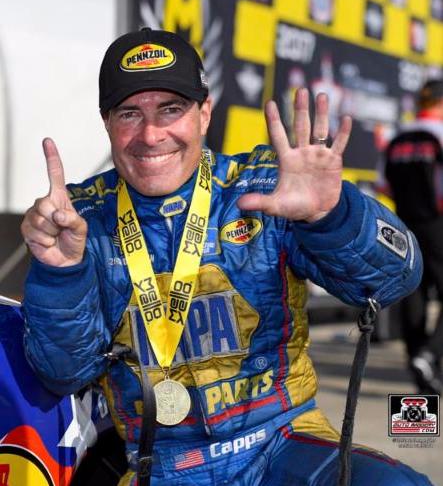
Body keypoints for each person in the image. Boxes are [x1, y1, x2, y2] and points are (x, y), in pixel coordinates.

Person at [21, 28, 430, 486]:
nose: (151, 134)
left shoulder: (262, 187)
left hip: (282, 442)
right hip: (161, 465)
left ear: (204, 114)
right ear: (107, 123)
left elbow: (396, 280)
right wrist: (60, 274)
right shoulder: (81, 219)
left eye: (170, 109)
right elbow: (64, 374)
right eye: (130, 113)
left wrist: (332, 217)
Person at [385, 79, 443, 395]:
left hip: (405, 224)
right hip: (437, 222)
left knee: (414, 295)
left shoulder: (398, 137)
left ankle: (419, 364)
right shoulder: (439, 134)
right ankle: (429, 355)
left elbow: (382, 184)